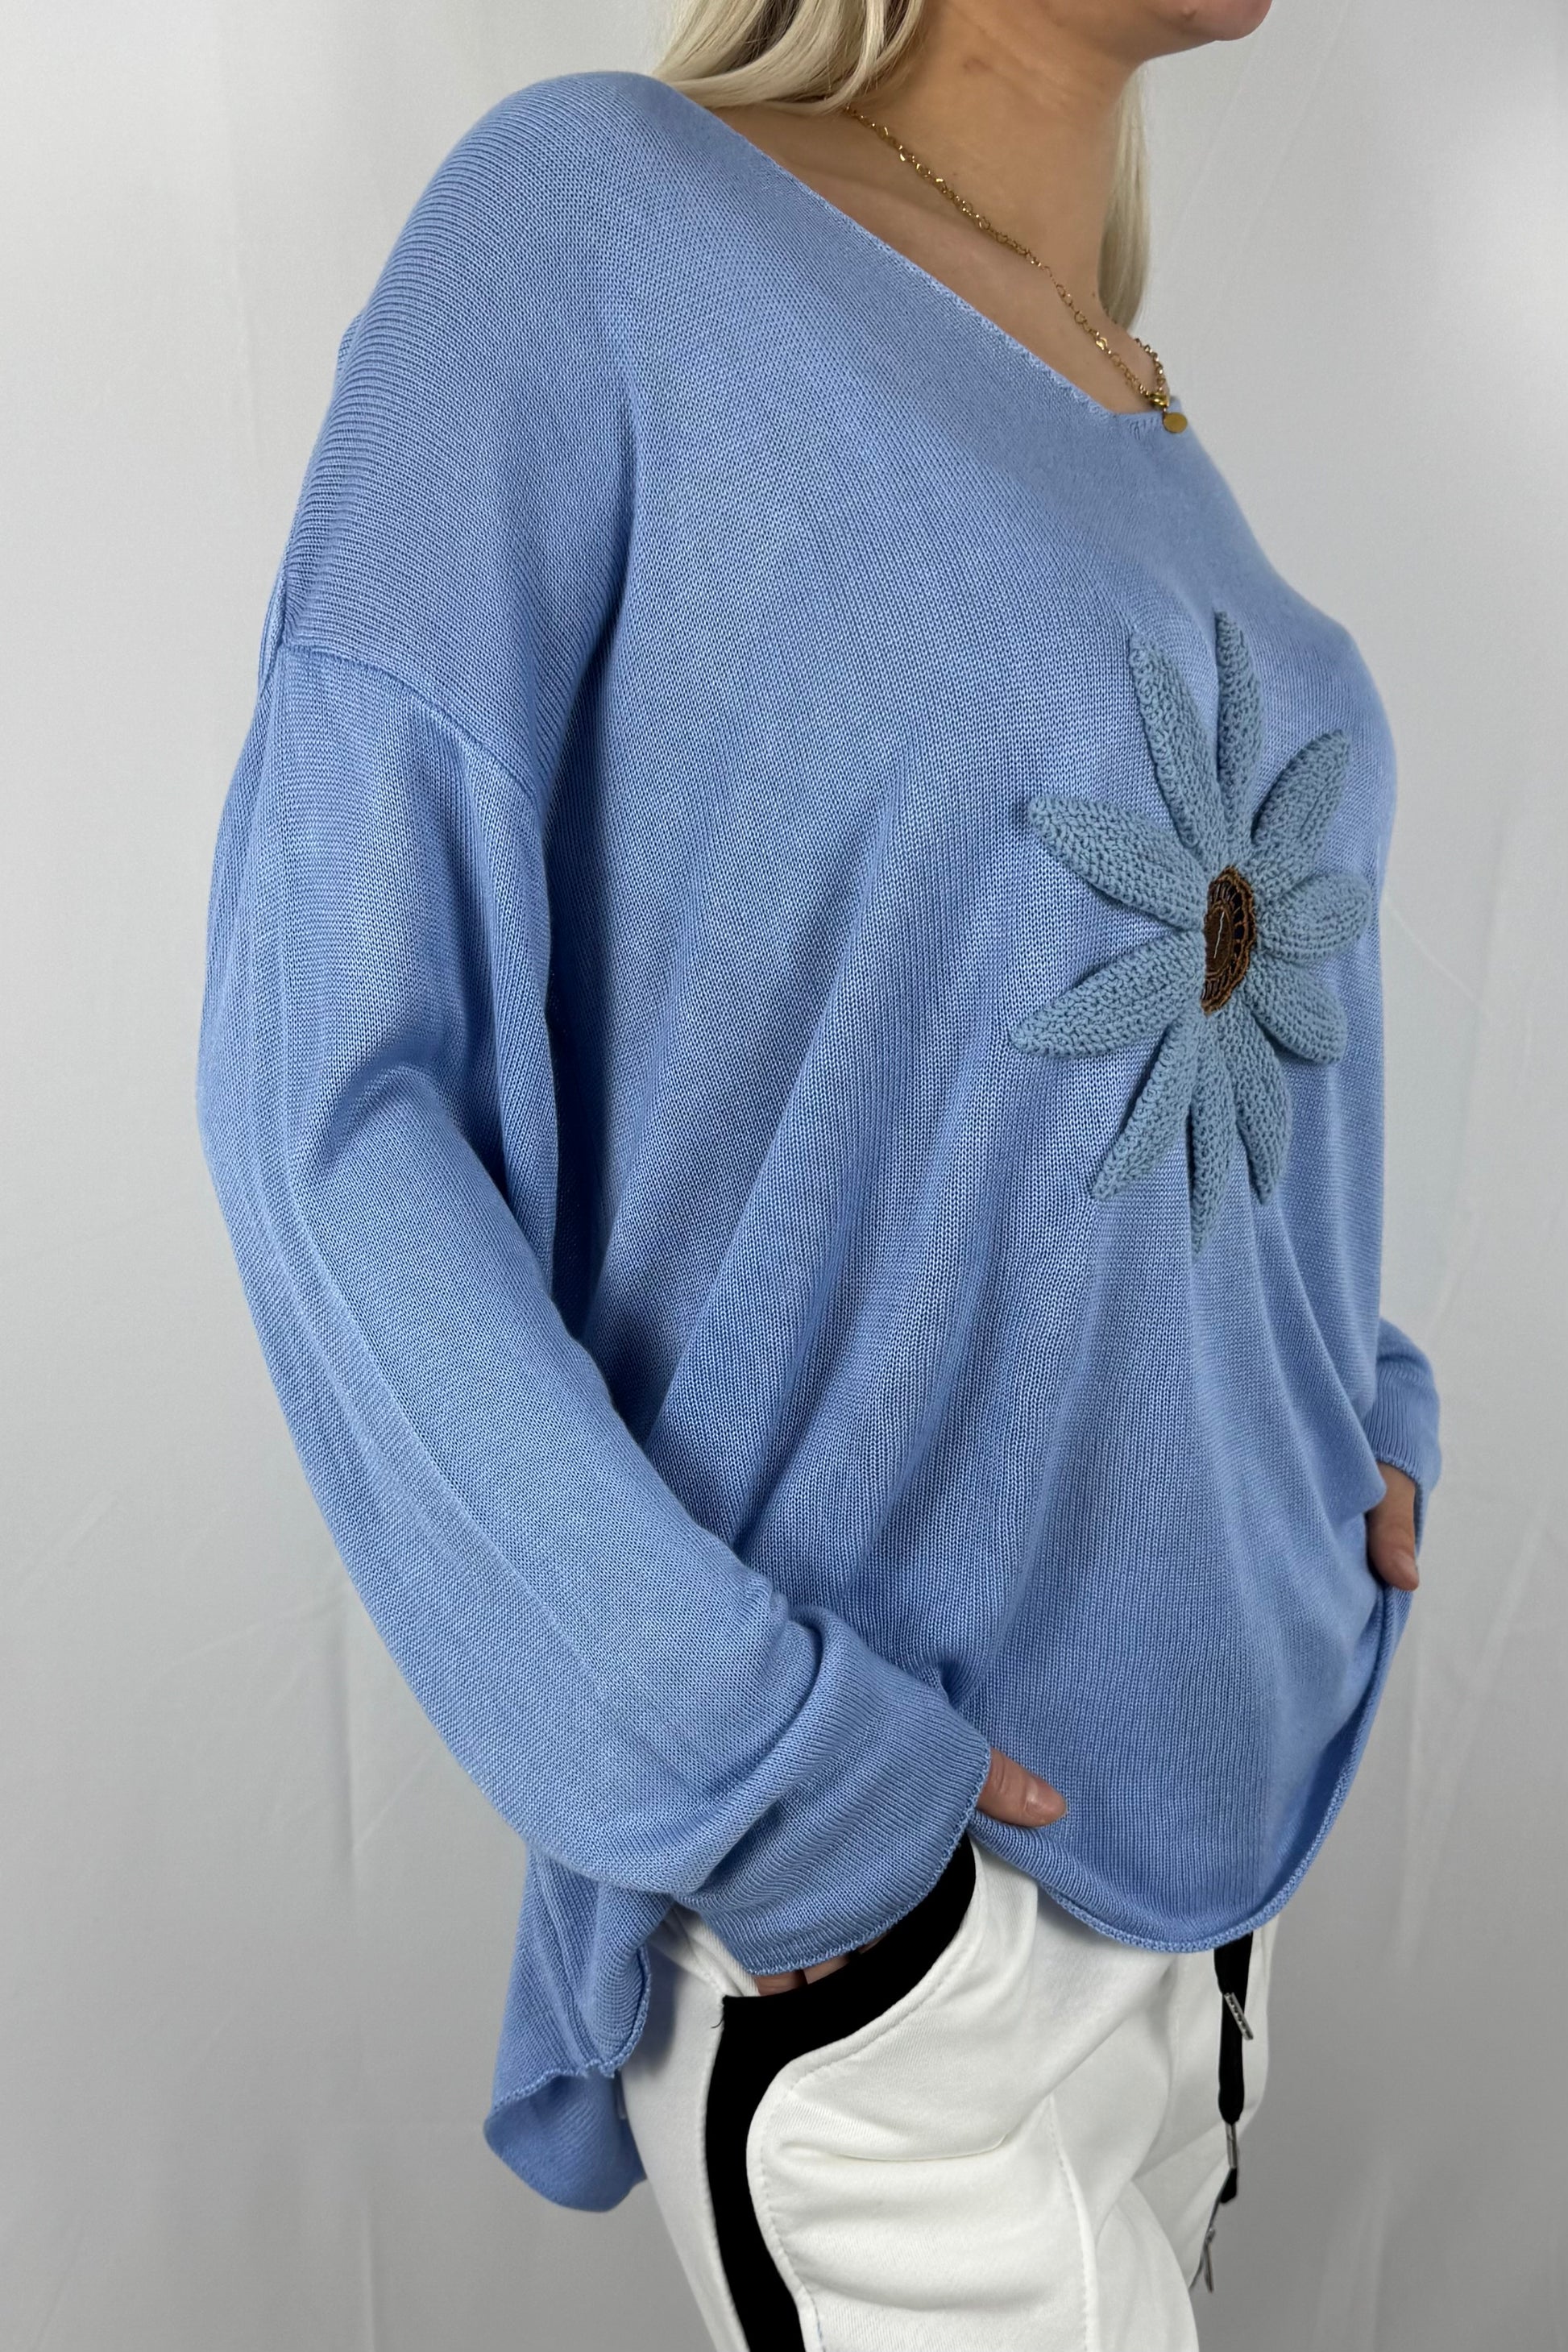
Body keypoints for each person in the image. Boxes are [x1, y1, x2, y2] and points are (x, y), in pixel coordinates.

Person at [194, 0, 1441, 2342]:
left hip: (1212, 1882)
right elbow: (328, 1090)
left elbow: (1092, 1058)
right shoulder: (598, 216)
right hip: (894, 1934)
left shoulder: (1126, 388)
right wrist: (756, 1776)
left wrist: (1352, 1414)